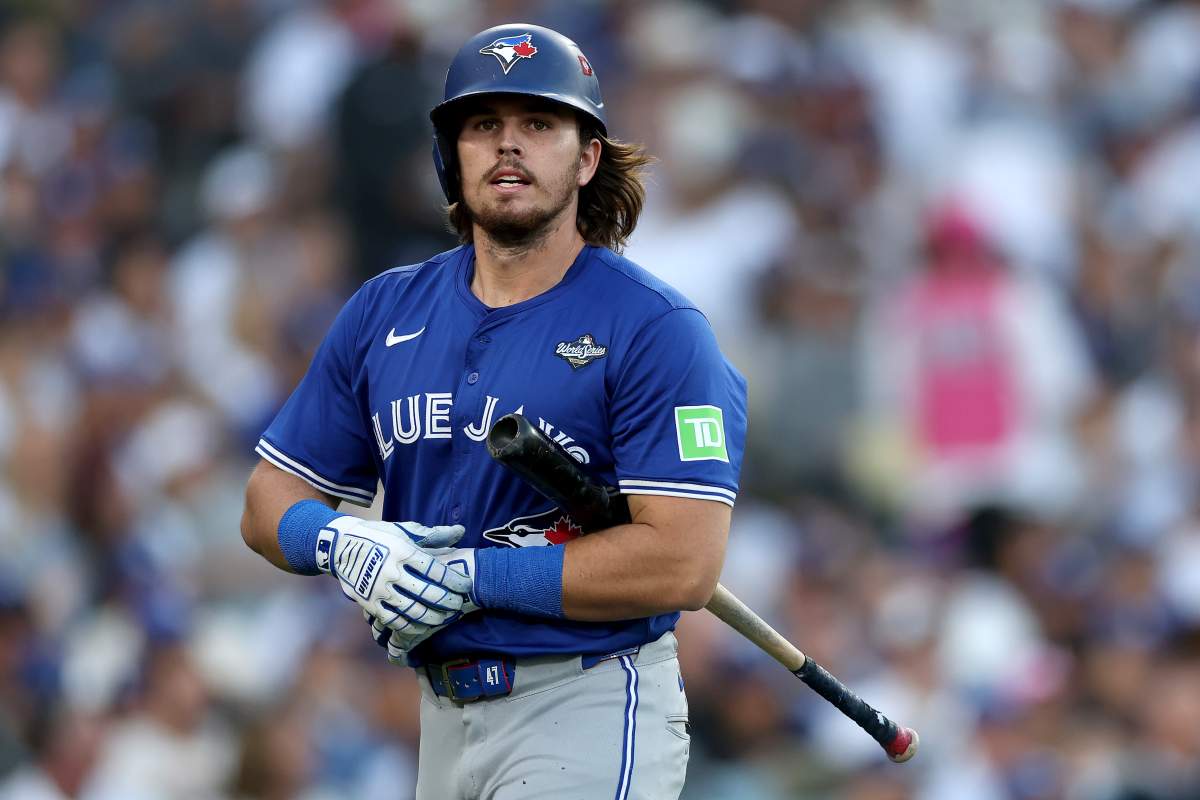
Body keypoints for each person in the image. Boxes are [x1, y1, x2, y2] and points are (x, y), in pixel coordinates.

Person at [240, 23, 747, 800]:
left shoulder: (655, 328)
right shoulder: (384, 309)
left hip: (584, 700)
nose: (508, 144)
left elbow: (683, 561)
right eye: (484, 125)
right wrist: (339, 540)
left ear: (587, 158)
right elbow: (265, 502)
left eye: (538, 123)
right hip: (441, 716)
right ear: (451, 154)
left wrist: (470, 576)